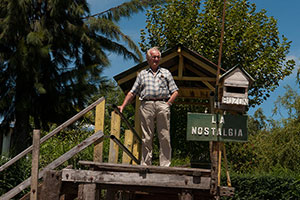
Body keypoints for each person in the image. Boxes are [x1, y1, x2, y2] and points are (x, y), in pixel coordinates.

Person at [118, 47, 179, 167]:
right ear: (148, 59)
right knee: (147, 136)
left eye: (158, 57)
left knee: (164, 136)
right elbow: (132, 92)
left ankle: (165, 165)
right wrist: (123, 106)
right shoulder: (142, 74)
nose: (156, 59)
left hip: (162, 104)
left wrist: (168, 104)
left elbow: (175, 91)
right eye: (153, 57)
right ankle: (146, 164)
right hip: (146, 105)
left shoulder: (166, 73)